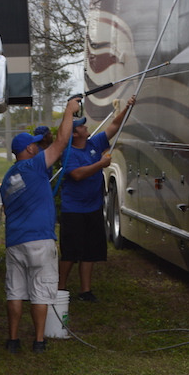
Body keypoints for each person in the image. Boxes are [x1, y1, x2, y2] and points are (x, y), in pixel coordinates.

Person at [0, 96, 80, 354]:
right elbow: (61, 142)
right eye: (35, 145)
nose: (38, 147)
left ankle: (13, 341)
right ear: (30, 150)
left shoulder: (7, 178)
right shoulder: (34, 166)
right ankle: (39, 341)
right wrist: (69, 111)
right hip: (40, 241)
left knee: (15, 292)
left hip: (15, 242)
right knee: (41, 292)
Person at [59, 95, 135, 302]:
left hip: (93, 208)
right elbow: (77, 174)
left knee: (90, 251)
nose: (86, 128)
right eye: (81, 127)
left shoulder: (94, 143)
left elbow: (114, 126)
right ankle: (61, 288)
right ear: (74, 134)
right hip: (73, 210)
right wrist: (100, 164)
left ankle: (85, 290)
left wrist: (127, 108)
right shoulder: (68, 154)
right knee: (71, 252)